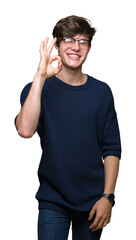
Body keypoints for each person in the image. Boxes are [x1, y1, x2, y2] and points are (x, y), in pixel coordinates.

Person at [14, 15, 121, 240]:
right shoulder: (37, 88)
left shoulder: (102, 93)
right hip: (53, 200)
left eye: (82, 41)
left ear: (89, 48)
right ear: (57, 44)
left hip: (93, 202)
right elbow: (25, 130)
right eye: (68, 40)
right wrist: (40, 76)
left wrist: (108, 197)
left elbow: (112, 148)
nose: (75, 47)